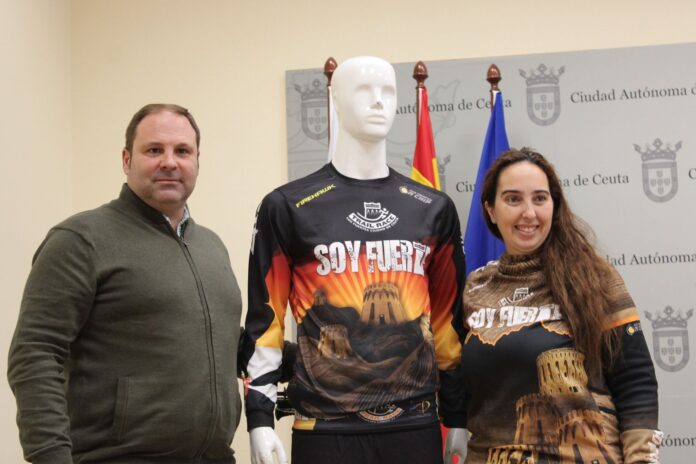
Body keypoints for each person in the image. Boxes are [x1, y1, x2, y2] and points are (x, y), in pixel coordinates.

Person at [240, 56, 467, 464]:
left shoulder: (432, 207)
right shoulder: (288, 205)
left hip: (413, 425)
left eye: (388, 91)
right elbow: (266, 320)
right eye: (364, 90)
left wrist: (458, 415)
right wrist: (259, 417)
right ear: (336, 101)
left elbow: (448, 323)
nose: (379, 101)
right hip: (325, 429)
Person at [7, 103, 243, 464]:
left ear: (197, 161)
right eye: (154, 150)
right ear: (126, 159)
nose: (169, 162)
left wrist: (305, 354)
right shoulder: (81, 239)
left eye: (182, 151)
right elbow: (35, 354)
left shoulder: (211, 246)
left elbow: (219, 340)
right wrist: (50, 457)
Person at [450, 148, 660, 463]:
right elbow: (458, 382)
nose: (529, 213)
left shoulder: (594, 279)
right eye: (513, 199)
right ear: (491, 210)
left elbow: (635, 380)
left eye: (540, 198)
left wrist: (641, 459)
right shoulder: (475, 288)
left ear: (554, 205)